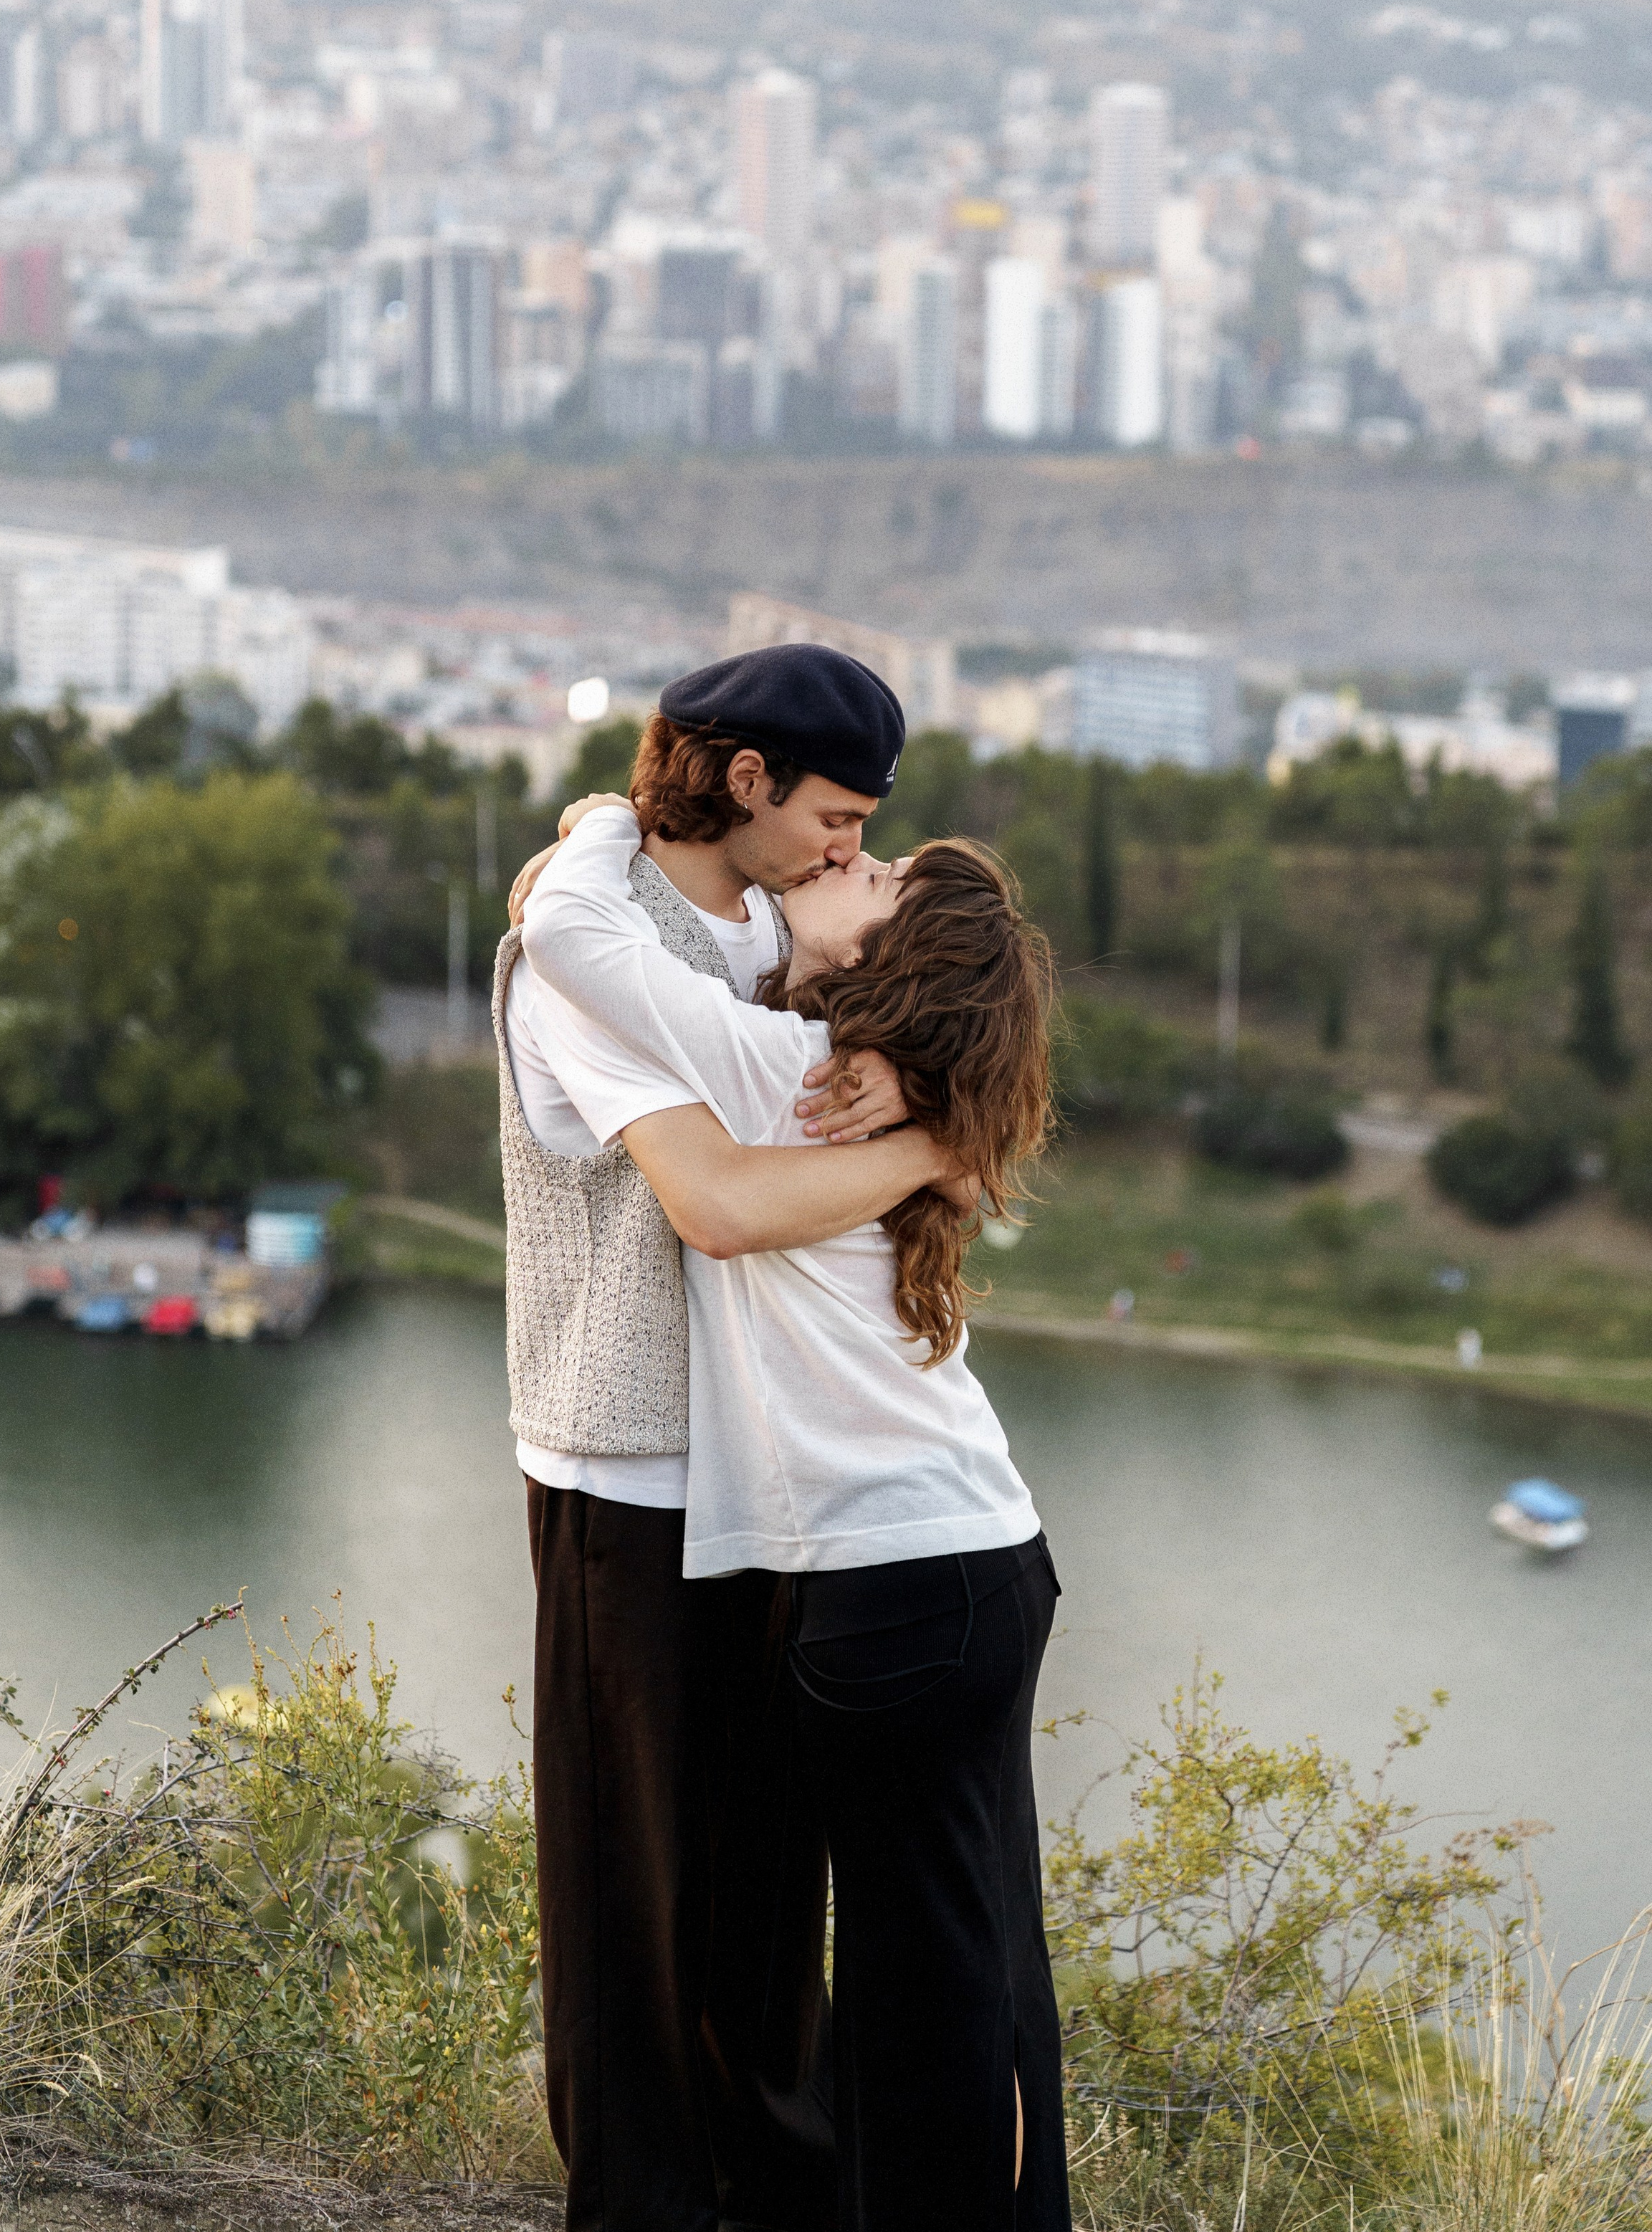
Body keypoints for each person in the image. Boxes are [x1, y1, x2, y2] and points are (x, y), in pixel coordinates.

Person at [520, 790, 1071, 2232]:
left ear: (885, 965)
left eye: (876, 872)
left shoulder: (789, 1071)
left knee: (926, 2004)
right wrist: (945, 1129)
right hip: (969, 1563)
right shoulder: (851, 1078)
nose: (849, 857)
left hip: (902, 1585)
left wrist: (603, 822)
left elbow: (572, 937)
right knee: (976, 1971)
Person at [497, 644, 954, 2232]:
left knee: (771, 1876)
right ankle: (639, 2205)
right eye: (836, 816)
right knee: (632, 1887)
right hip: (629, 1463)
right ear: (745, 779)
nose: (851, 849)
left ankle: (780, 2194)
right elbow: (718, 1200)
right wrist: (932, 1140)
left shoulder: (788, 928)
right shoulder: (582, 952)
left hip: (788, 1466)